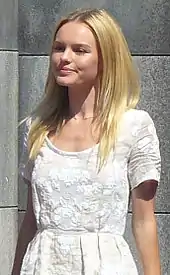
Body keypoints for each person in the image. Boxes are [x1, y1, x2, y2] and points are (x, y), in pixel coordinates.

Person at [12, 8, 161, 275]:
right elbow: (32, 220)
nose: (64, 58)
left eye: (79, 50)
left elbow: (144, 221)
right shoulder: (37, 129)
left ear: (105, 59)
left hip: (105, 266)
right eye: (59, 48)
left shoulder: (133, 127)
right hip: (43, 265)